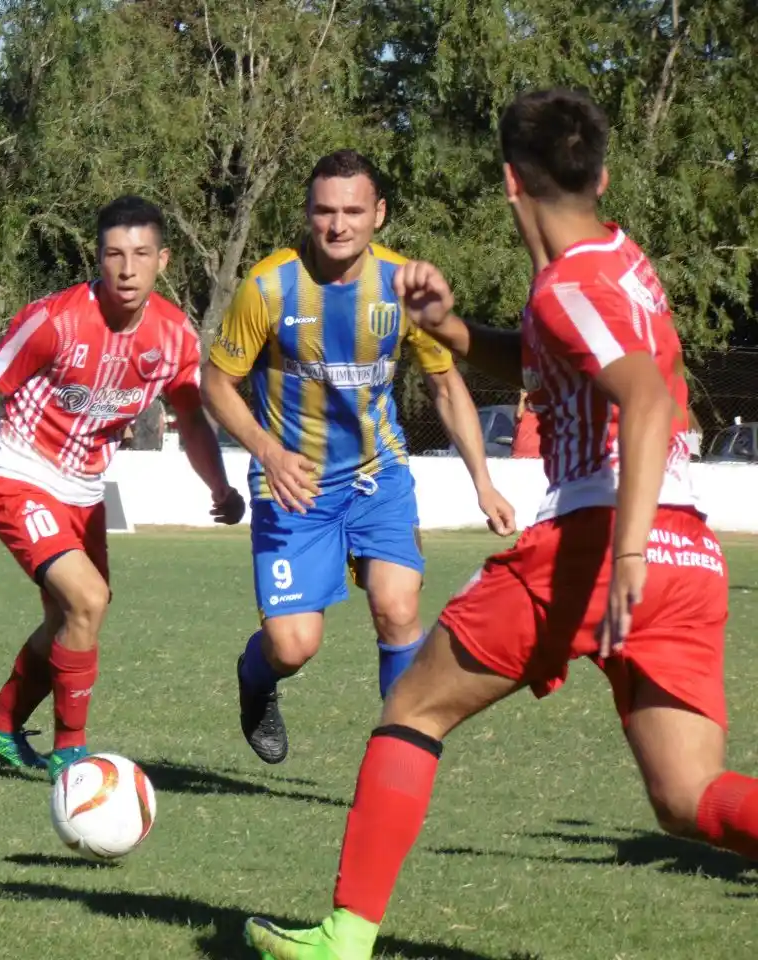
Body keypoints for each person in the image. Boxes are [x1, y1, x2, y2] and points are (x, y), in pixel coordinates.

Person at [243, 88, 755, 960]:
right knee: (687, 797)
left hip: (599, 546)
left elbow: (639, 398)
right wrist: (450, 328)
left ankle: (345, 937)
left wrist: (622, 549)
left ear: (510, 181)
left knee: (410, 708)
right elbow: (554, 353)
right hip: (691, 552)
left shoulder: (569, 283)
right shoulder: (619, 261)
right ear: (599, 173)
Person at [202, 150, 516, 766]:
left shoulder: (403, 287)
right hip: (294, 484)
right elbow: (216, 383)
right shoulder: (268, 286)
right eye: (324, 210)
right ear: (308, 213)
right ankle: (254, 677)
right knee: (292, 646)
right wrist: (267, 450)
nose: (338, 224)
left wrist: (484, 481)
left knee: (399, 610)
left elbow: (446, 385)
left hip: (379, 474)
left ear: (379, 214)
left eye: (352, 210)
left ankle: (396, 767)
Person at [0, 195, 246, 783]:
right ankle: (71, 757)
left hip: (84, 492)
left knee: (72, 619)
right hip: (19, 475)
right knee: (88, 600)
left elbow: (191, 417)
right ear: (98, 258)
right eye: (113, 254)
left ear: (164, 259)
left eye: (139, 255)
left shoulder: (175, 336)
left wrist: (221, 486)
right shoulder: (55, 320)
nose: (126, 268)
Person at [511, 388, 541, 457]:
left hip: (537, 456)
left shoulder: (542, 416)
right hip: (519, 455)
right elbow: (519, 415)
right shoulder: (523, 414)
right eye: (530, 401)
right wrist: (522, 398)